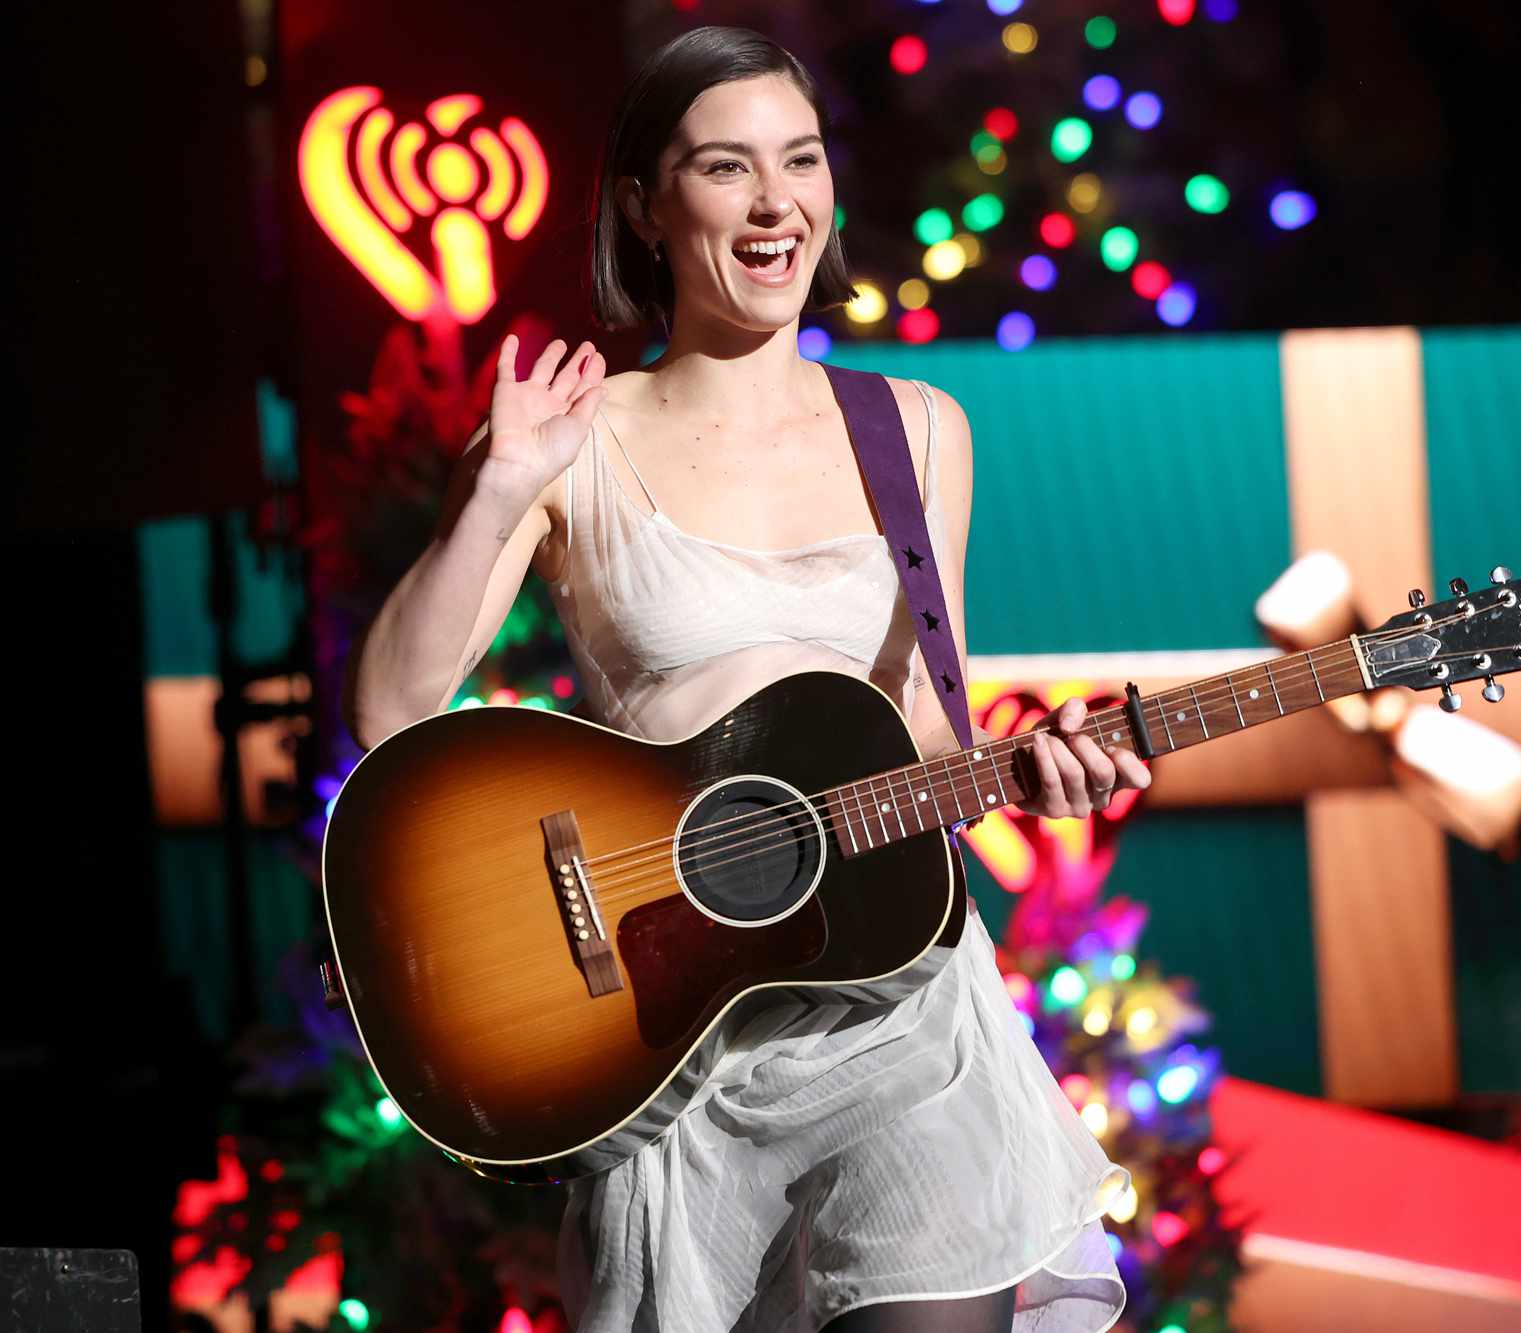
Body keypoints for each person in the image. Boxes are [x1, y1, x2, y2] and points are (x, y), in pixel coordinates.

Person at [345, 24, 1150, 1333]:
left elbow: (931, 726)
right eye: (728, 167)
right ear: (644, 210)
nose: (779, 202)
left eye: (803, 159)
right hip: (671, 1042)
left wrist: (1037, 766)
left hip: (897, 1019)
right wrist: (496, 491)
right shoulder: (574, 438)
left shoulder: (919, 431)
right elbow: (390, 708)